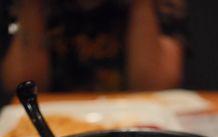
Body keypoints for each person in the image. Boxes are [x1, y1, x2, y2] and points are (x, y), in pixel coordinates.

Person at [0, 0, 186, 103]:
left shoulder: (162, 5)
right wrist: (31, 7)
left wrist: (141, 5)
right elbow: (23, 88)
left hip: (132, 121)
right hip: (51, 126)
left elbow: (153, 88)